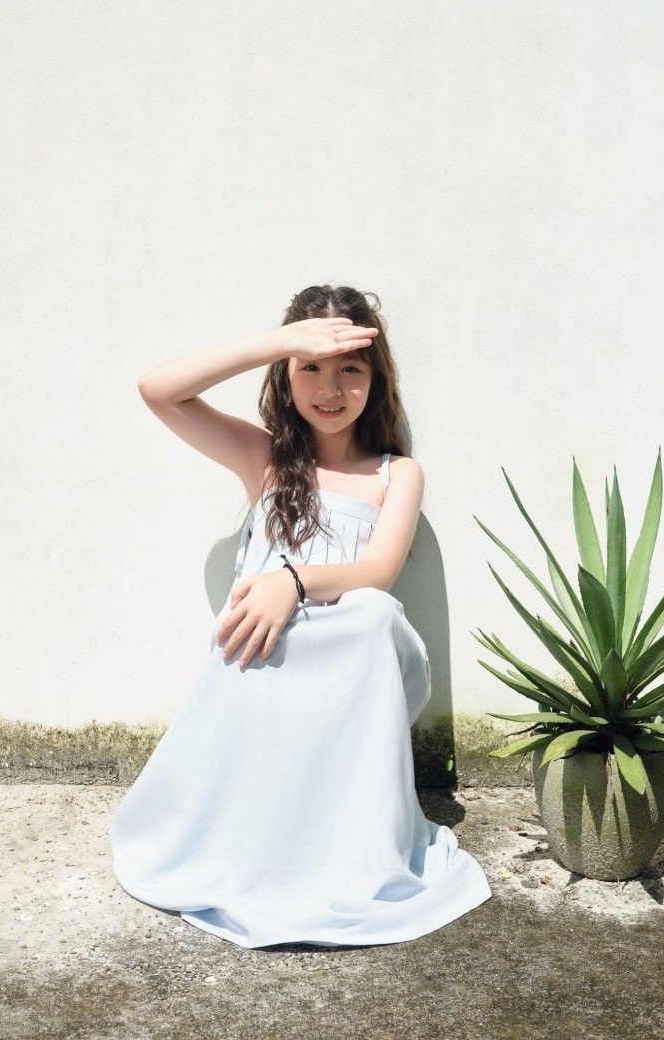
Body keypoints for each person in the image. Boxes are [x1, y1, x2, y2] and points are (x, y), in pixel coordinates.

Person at [109, 284, 492, 948]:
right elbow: (158, 390)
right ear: (285, 377)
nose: (330, 388)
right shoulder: (265, 459)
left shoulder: (397, 473)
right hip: (271, 663)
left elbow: (379, 570)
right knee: (271, 621)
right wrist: (282, 341)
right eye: (310, 367)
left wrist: (292, 581)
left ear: (377, 380)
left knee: (371, 612)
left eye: (350, 369)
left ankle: (348, 853)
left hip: (352, 666)